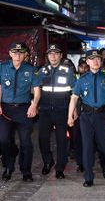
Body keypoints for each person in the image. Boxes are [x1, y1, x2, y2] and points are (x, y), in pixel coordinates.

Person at [67, 49, 105, 187]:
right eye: (92, 59)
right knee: (87, 146)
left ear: (100, 61)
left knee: (104, 146)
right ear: (88, 61)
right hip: (86, 117)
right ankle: (88, 177)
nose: (95, 61)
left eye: (98, 58)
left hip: (102, 116)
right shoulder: (82, 79)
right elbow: (74, 98)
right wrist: (70, 116)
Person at [0, 42, 40, 182]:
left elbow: (37, 90)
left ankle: (26, 171)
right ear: (10, 53)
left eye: (20, 52)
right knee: (3, 140)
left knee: (26, 143)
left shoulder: (31, 69)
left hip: (24, 109)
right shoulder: (2, 68)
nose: (17, 55)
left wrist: (34, 105)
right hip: (5, 109)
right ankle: (8, 167)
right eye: (15, 52)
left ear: (25, 55)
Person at [38, 44, 76, 179]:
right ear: (47, 56)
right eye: (50, 54)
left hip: (62, 111)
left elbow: (74, 92)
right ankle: (48, 161)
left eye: (56, 53)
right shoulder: (42, 71)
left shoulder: (68, 71)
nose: (53, 56)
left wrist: (74, 110)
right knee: (42, 138)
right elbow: (36, 90)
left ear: (60, 55)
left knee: (62, 141)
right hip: (45, 111)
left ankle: (60, 168)